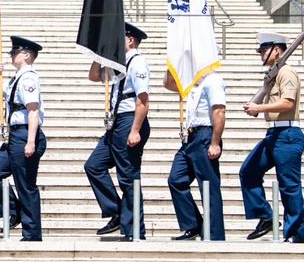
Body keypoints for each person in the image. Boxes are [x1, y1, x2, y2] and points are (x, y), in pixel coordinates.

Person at [84, 22, 151, 241]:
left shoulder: (138, 63)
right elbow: (94, 76)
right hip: (116, 122)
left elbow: (143, 99)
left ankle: (134, 230)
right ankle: (117, 211)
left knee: (128, 176)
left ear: (130, 40)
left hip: (130, 120)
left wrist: (135, 130)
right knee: (94, 165)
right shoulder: (119, 63)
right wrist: (100, 54)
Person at [240, 32, 304, 243]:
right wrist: (265, 87)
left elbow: (287, 103)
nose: (260, 54)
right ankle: (266, 216)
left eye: (264, 50)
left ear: (276, 50)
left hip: (287, 134)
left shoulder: (286, 72)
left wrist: (259, 107)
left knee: (289, 185)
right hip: (273, 133)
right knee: (248, 172)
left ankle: (295, 233)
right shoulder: (274, 74)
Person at [0, 35, 47, 242]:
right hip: (14, 136)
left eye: (15, 52)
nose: (11, 55)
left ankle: (32, 233)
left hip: (24, 134)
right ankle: (15, 211)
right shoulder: (16, 78)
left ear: (27, 55)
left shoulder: (28, 78)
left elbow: (33, 111)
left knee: (25, 185)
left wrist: (31, 141)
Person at [165, 69, 227, 241]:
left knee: (208, 187)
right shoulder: (194, 79)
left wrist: (215, 142)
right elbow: (169, 84)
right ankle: (193, 224)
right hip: (190, 136)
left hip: (205, 135)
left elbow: (219, 111)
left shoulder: (213, 81)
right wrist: (172, 64)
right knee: (176, 179)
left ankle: (215, 235)